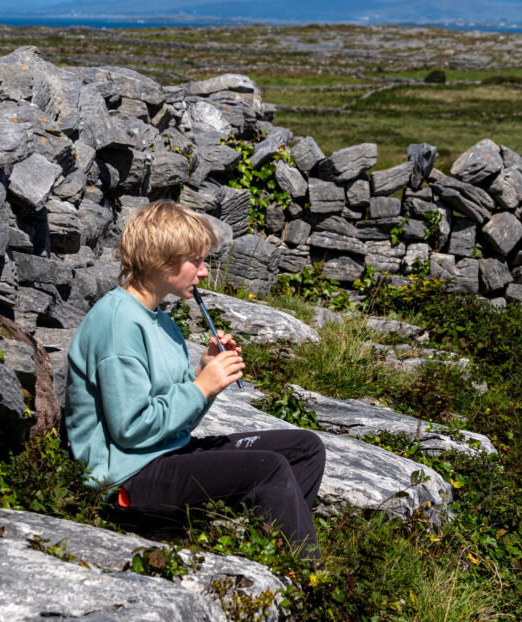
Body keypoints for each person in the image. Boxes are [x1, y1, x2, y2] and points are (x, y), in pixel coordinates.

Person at [65, 201, 326, 558]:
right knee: (268, 467)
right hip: (127, 478)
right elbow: (129, 429)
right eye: (196, 261)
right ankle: (305, 578)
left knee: (305, 449)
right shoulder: (118, 324)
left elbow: (172, 420)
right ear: (159, 258)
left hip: (164, 454)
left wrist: (203, 376)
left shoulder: (162, 321)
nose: (204, 272)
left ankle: (272, 549)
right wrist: (200, 386)